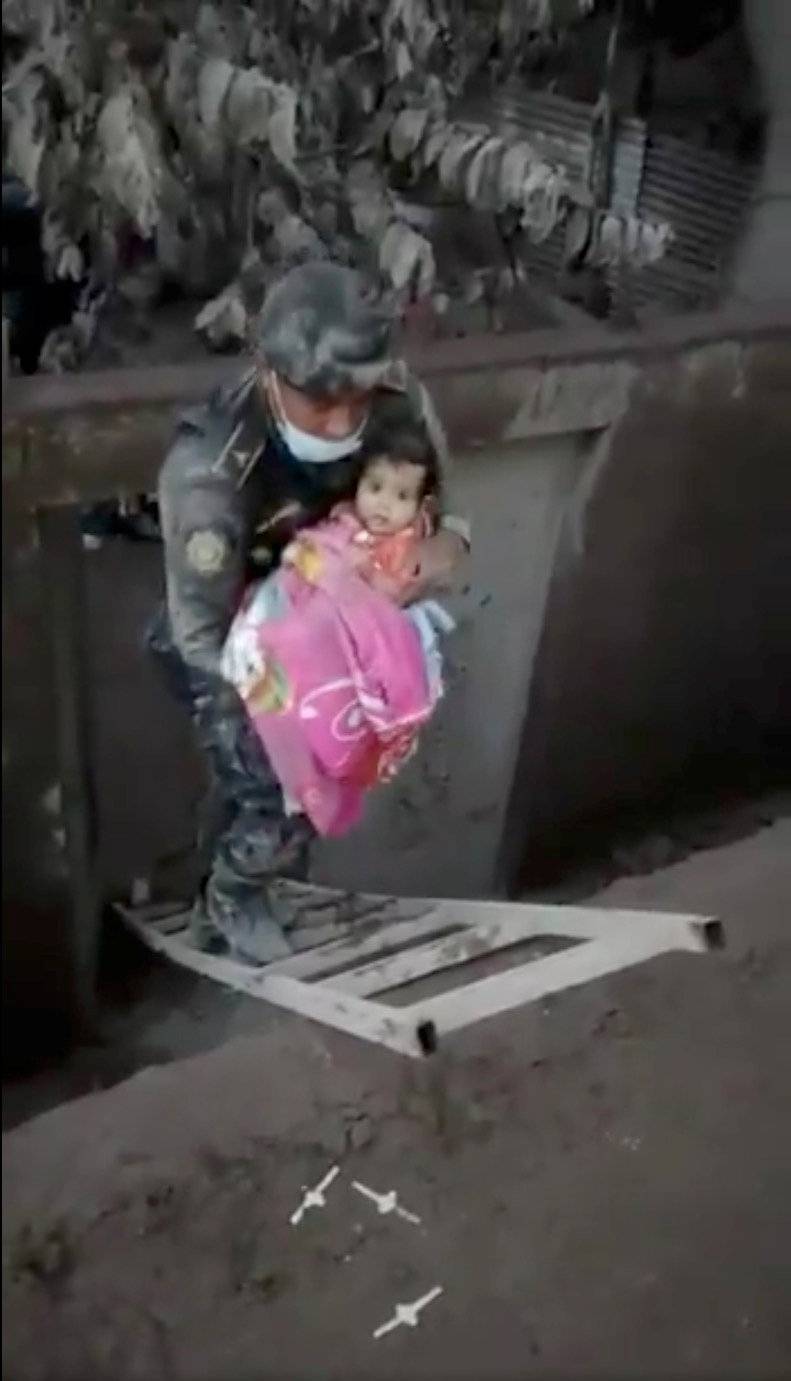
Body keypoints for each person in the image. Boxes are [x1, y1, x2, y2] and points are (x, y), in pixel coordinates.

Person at [148, 262, 468, 965]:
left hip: (334, 632)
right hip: (231, 650)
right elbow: (201, 635)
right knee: (288, 793)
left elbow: (443, 508)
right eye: (318, 402)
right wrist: (292, 717)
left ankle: (223, 876)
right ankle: (234, 894)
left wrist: (444, 549)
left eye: (354, 398)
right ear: (269, 373)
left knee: (284, 781)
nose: (343, 420)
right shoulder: (210, 466)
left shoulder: (388, 393)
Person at [220, 398, 452, 839]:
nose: (383, 504)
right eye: (376, 487)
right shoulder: (341, 524)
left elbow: (383, 607)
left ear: (422, 506)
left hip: (357, 657)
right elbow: (312, 553)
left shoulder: (407, 549)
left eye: (401, 496)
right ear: (357, 485)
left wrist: (353, 586)